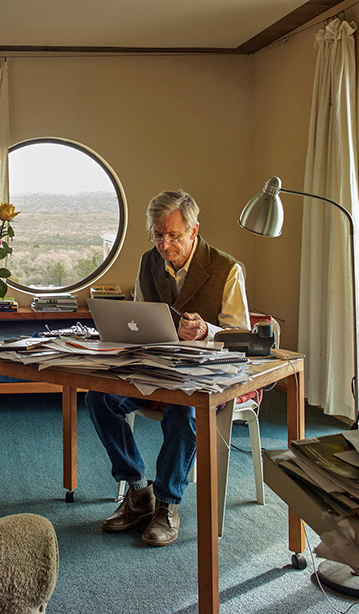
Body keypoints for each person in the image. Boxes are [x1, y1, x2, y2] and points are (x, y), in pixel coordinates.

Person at [86, 189, 249, 546]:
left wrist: (206, 331)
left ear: (194, 230)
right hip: (156, 368)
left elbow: (241, 337)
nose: (164, 244)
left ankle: (167, 503)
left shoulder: (226, 269)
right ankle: (138, 491)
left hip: (205, 376)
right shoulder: (149, 262)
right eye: (158, 235)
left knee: (183, 409)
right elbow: (139, 318)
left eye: (173, 236)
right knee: (99, 398)